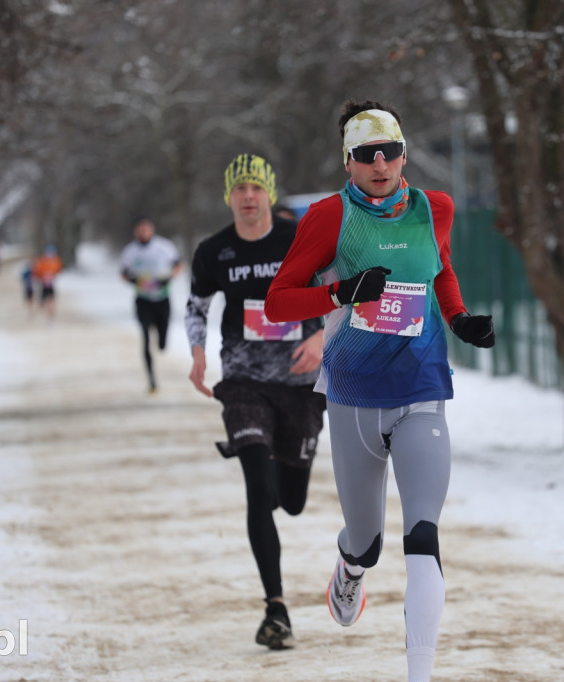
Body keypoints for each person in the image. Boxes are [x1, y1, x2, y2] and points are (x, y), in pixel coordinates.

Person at [264, 100, 495, 682]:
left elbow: (439, 269)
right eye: (367, 155)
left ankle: (420, 674)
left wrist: (459, 316)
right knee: (367, 542)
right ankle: (350, 566)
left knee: (423, 533)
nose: (381, 164)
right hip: (354, 396)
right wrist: (341, 293)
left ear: (404, 154)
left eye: (390, 151)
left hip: (421, 388)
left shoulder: (433, 208)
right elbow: (278, 300)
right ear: (348, 162)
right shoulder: (327, 217)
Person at [185, 153, 326, 651]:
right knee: (255, 483)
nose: (248, 196)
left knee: (290, 501)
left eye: (256, 188)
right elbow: (197, 308)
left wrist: (321, 341)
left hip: (299, 383)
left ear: (269, 193)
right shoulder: (214, 251)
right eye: (239, 188)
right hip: (243, 382)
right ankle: (276, 609)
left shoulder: (298, 238)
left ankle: (275, 488)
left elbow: (341, 293)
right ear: (229, 196)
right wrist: (199, 354)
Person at [119, 217, 184, 393]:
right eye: (140, 229)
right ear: (135, 231)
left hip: (162, 300)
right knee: (146, 338)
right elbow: (123, 274)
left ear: (152, 230)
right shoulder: (130, 251)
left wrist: (168, 278)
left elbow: (179, 266)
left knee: (162, 342)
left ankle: (162, 340)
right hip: (143, 301)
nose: (143, 232)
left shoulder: (164, 247)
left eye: (146, 229)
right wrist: (134, 281)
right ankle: (152, 380)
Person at [32, 244, 63, 321]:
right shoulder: (42, 260)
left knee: (51, 299)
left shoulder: (55, 260)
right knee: (43, 299)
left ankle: (50, 314)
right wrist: (42, 276)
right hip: (43, 283)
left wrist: (51, 275)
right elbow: (37, 271)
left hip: (50, 283)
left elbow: (58, 270)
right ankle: (41, 313)